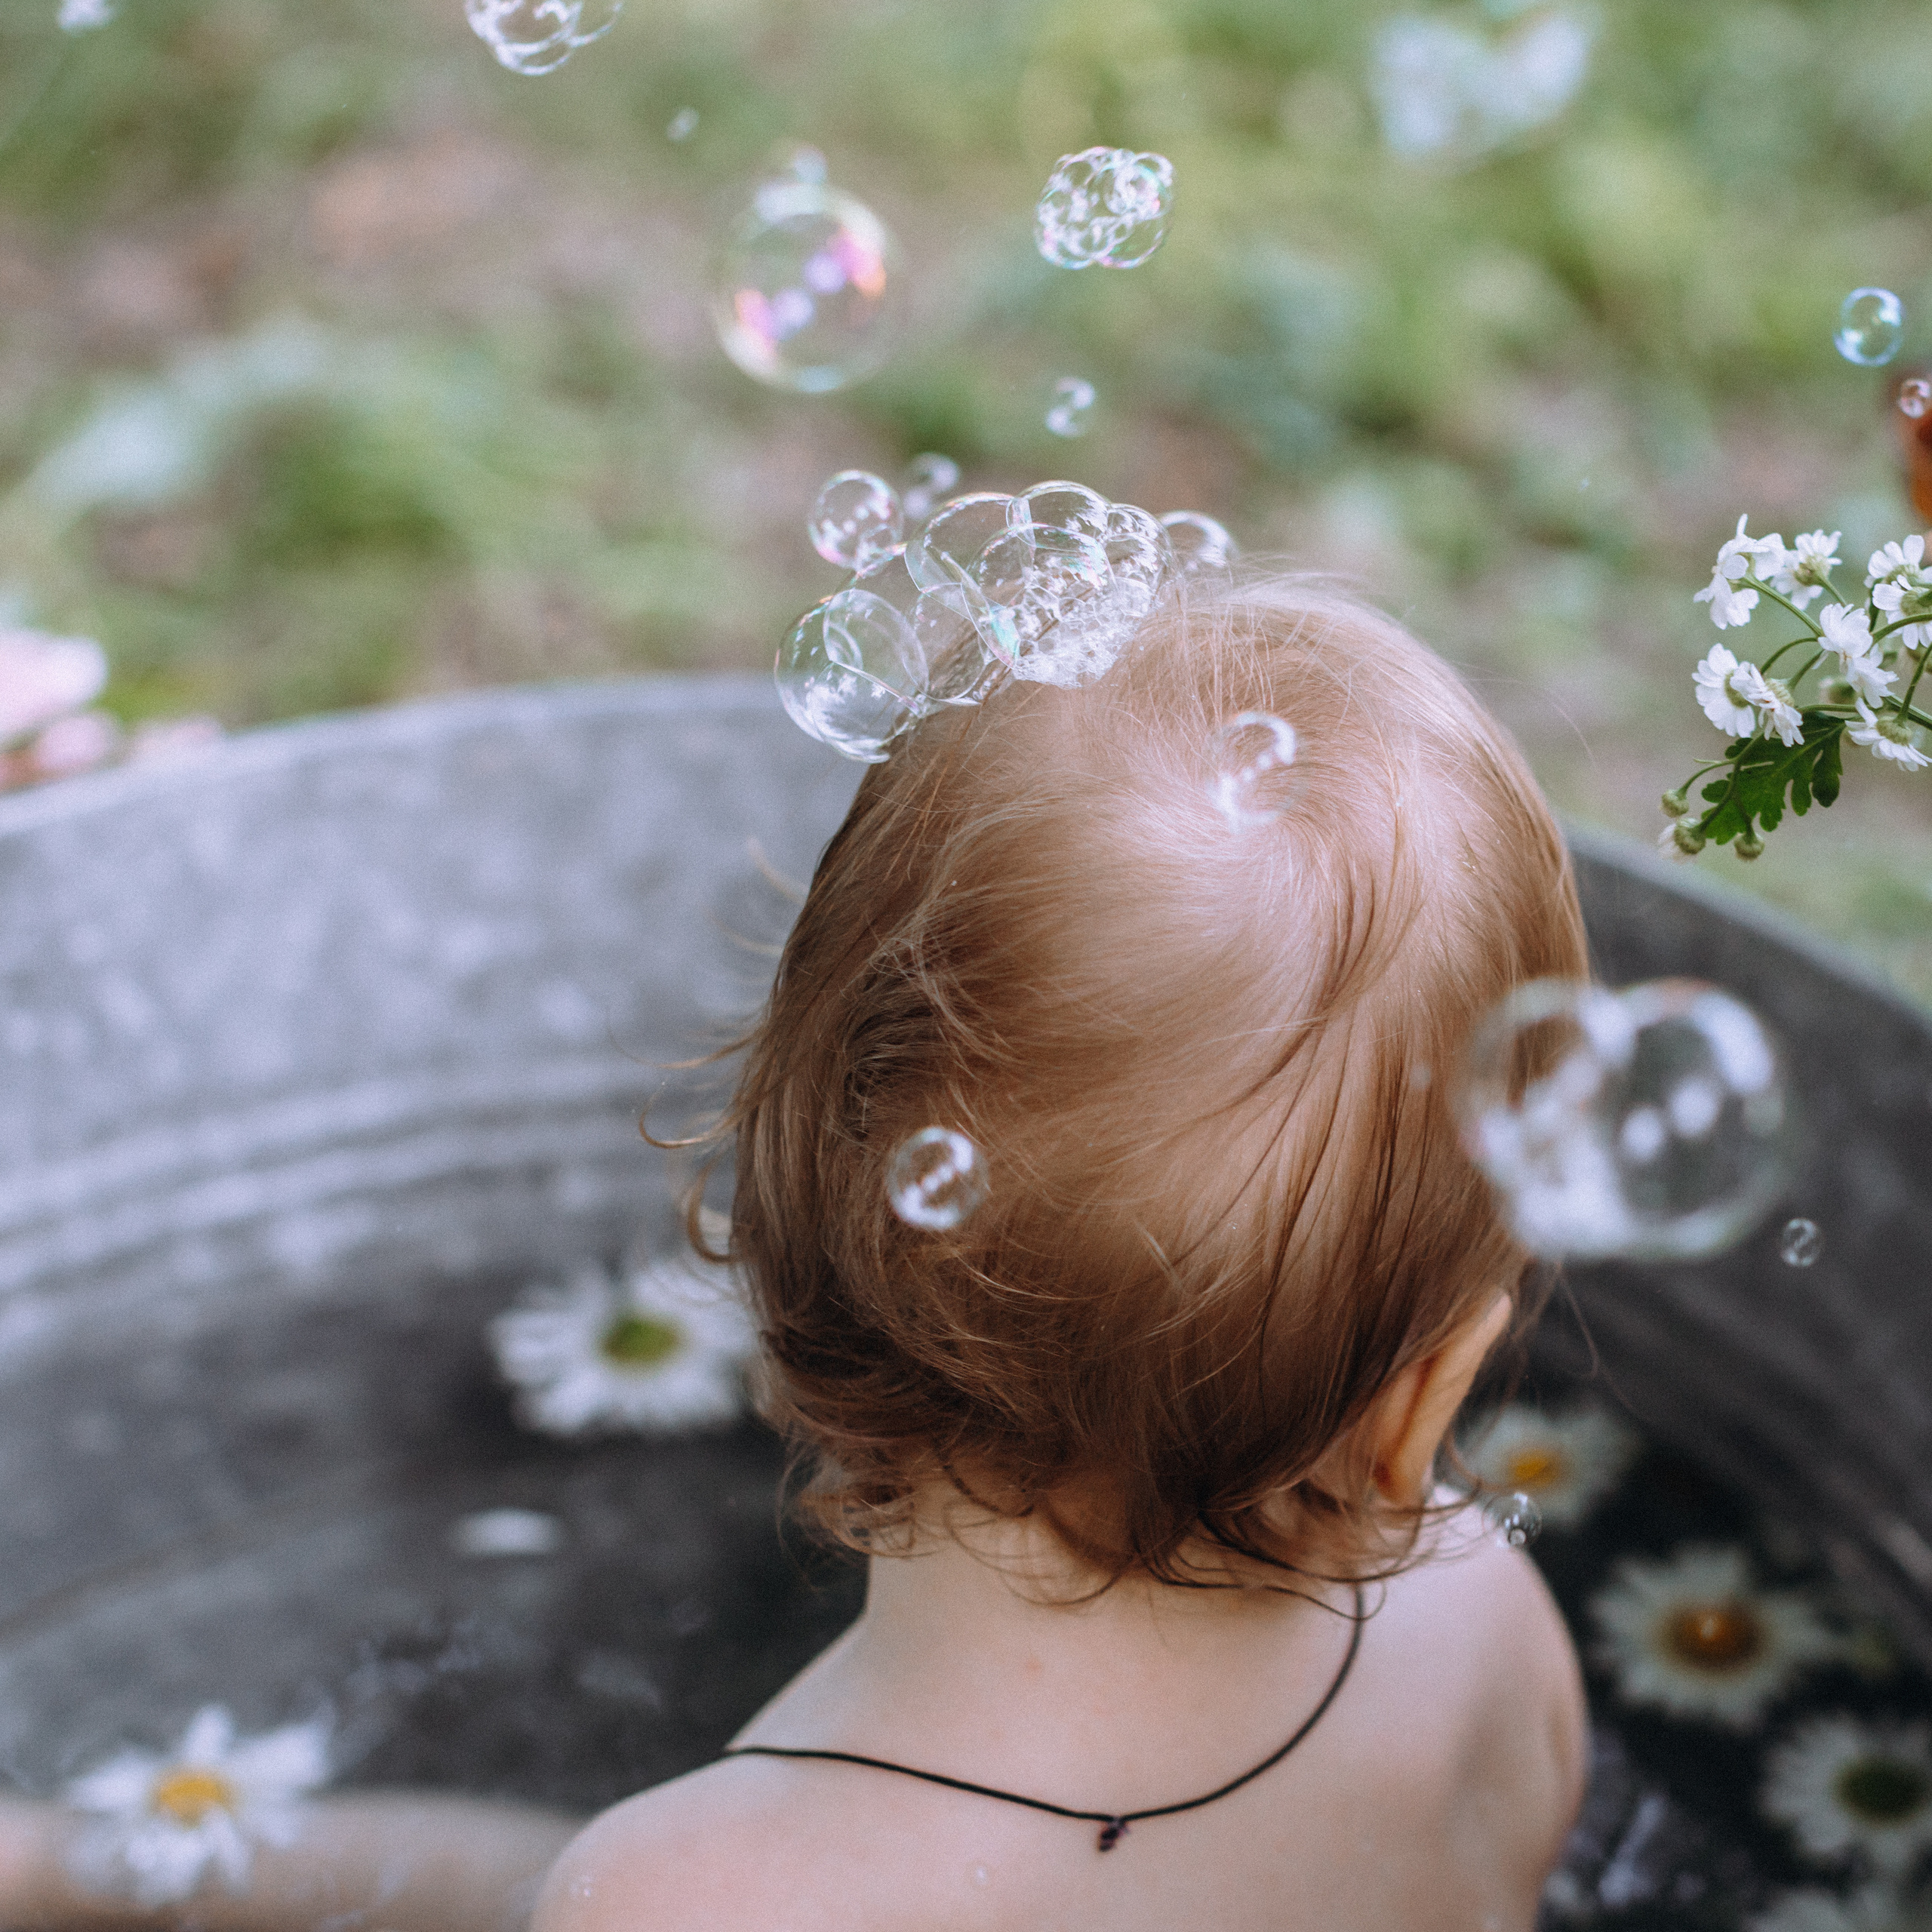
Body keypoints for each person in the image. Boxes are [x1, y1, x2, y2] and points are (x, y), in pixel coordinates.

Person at [0, 572, 1587, 1931]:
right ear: (1425, 1394)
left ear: (786, 1202)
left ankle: (63, 1864)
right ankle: (76, 1864)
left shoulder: (696, 1891)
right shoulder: (1475, 1639)